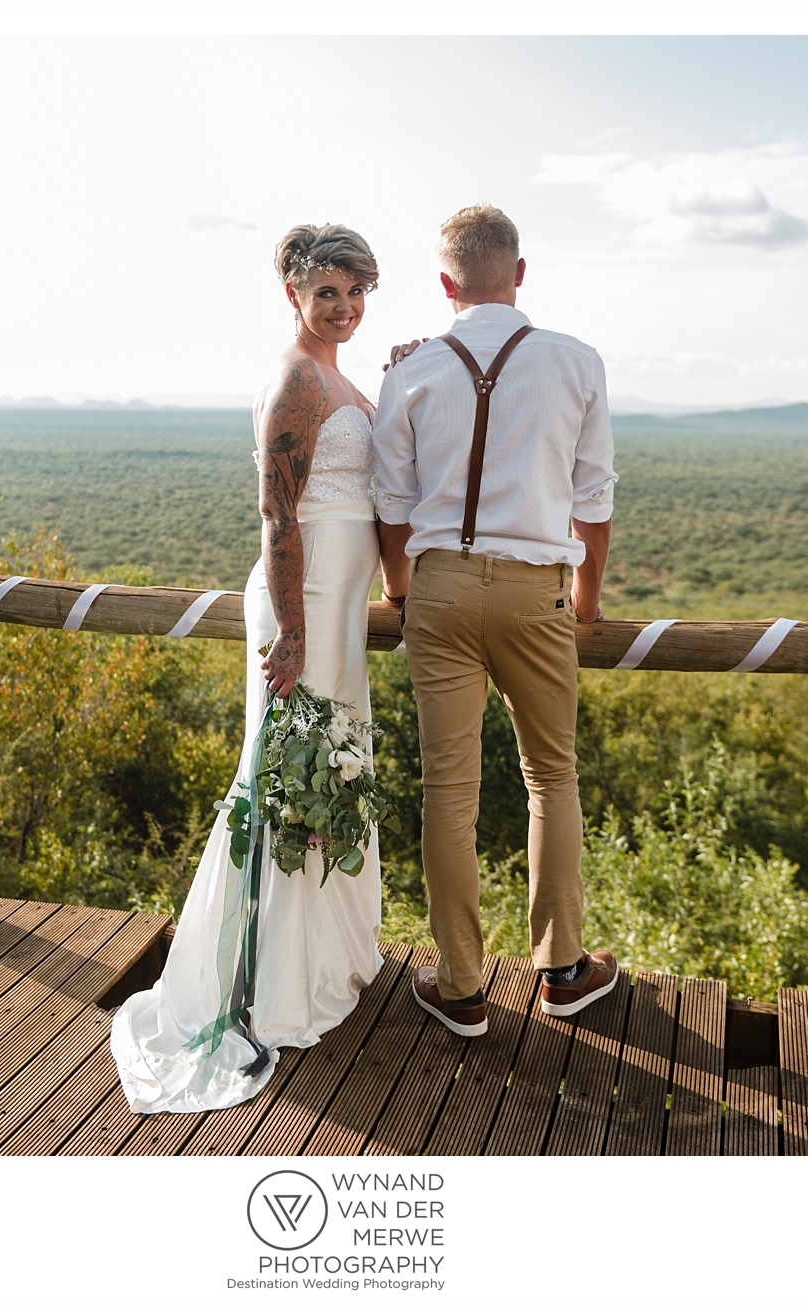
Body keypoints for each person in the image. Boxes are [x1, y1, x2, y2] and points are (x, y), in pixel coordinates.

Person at [110, 224, 386, 1113]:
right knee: (280, 781)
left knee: (326, 774)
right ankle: (263, 980)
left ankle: (319, 957)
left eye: (357, 294)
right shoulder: (294, 380)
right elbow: (278, 518)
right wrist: (295, 633)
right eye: (329, 294)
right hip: (303, 605)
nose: (344, 309)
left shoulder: (343, 377)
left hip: (343, 604)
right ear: (294, 295)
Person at [373, 204, 619, 1038]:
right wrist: (585, 605)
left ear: (446, 284)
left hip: (437, 591)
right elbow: (594, 499)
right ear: (519, 272)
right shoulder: (576, 360)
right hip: (537, 590)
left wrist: (405, 592)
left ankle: (462, 986)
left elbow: (393, 506)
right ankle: (562, 970)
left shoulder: (409, 370)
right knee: (551, 775)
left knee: (449, 788)